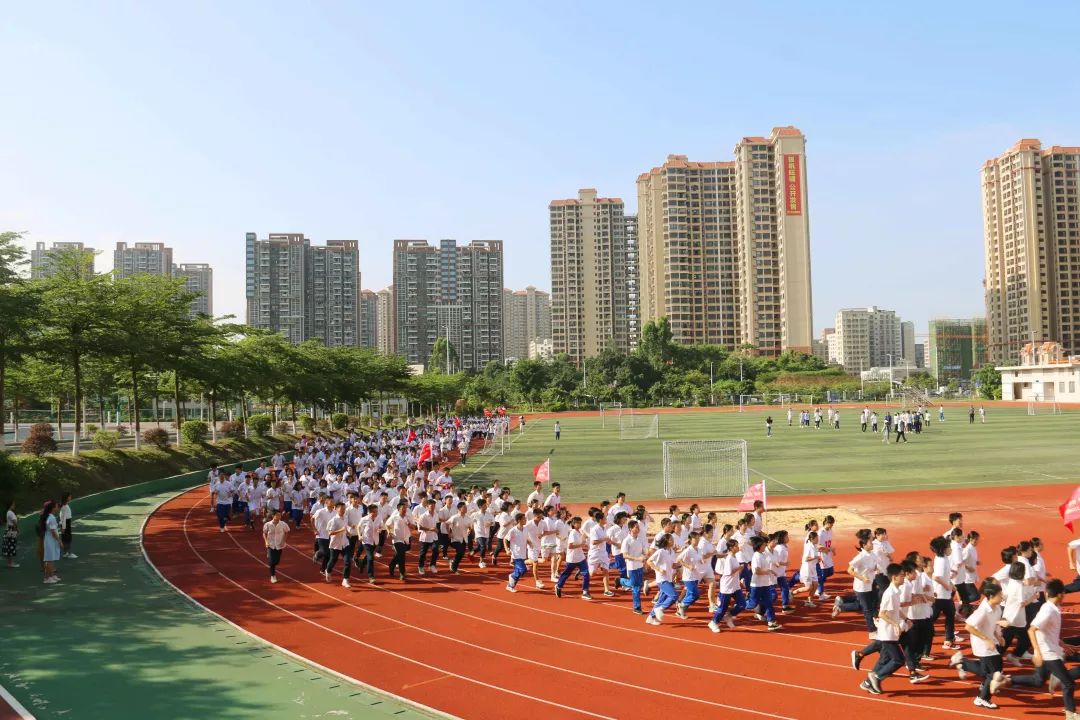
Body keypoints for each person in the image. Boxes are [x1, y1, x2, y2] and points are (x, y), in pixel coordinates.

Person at [1010, 579, 1078, 718]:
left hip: (1051, 650)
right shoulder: (1048, 610)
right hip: (1048, 653)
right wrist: (1038, 653)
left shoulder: (1051, 608)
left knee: (1038, 681)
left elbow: (1046, 631)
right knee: (1069, 683)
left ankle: (1006, 679)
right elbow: (1032, 630)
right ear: (1060, 595)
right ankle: (1071, 713)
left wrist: (1063, 644)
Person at [952, 579, 1012, 709]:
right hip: (982, 644)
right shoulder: (983, 610)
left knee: (988, 670)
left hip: (991, 641)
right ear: (991, 596)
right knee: (994, 671)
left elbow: (994, 623)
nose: (1002, 597)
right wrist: (986, 639)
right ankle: (982, 698)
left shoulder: (996, 608)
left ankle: (962, 663)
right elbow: (968, 627)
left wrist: (999, 636)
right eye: (1000, 595)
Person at [860, 563, 913, 695]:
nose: (904, 578)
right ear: (894, 577)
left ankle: (867, 682)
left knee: (885, 659)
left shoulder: (896, 591)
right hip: (887, 633)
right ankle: (876, 676)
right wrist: (895, 624)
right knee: (898, 660)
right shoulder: (890, 593)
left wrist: (905, 619)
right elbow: (882, 614)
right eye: (902, 575)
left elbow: (896, 609)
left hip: (891, 633)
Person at [748, 535, 782, 631]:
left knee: (769, 603)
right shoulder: (756, 556)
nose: (765, 546)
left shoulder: (763, 554)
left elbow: (765, 567)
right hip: (757, 585)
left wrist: (771, 571)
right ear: (759, 546)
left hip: (765, 584)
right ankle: (738, 606)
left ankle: (771, 623)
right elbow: (756, 571)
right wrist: (767, 572)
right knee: (751, 604)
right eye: (763, 544)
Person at [554, 516, 591, 600]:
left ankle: (585, 592)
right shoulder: (573, 533)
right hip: (572, 558)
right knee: (566, 574)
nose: (579, 524)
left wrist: (584, 540)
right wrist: (581, 545)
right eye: (578, 523)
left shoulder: (579, 532)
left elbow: (582, 540)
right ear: (573, 524)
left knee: (586, 574)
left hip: (580, 557)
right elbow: (570, 546)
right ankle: (558, 586)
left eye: (580, 523)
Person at [646, 533, 678, 625]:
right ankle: (659, 609)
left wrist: (681, 565)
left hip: (668, 578)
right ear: (666, 541)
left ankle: (650, 617)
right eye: (671, 539)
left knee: (660, 600)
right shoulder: (660, 551)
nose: (673, 541)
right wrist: (658, 569)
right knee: (674, 596)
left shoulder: (672, 552)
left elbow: (673, 565)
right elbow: (649, 561)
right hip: (662, 579)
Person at [263, 510, 290, 584]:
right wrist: (266, 541)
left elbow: (287, 532)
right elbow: (264, 533)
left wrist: (284, 541)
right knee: (272, 562)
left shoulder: (283, 524)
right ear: (273, 516)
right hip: (270, 544)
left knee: (276, 561)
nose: (279, 516)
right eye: (277, 515)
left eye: (280, 515)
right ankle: (273, 576)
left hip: (279, 544)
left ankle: (271, 558)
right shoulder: (267, 524)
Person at [505, 512, 529, 593]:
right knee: (523, 569)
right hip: (515, 553)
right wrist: (507, 550)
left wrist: (530, 543)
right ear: (519, 520)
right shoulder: (513, 530)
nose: (525, 520)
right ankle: (512, 576)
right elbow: (505, 539)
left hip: (523, 553)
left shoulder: (525, 529)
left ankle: (510, 585)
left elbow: (525, 538)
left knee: (519, 570)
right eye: (524, 519)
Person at [40, 501, 61, 584]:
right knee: (49, 560)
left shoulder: (50, 516)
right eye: (56, 506)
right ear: (52, 508)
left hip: (50, 540)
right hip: (50, 540)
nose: (57, 507)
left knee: (51, 559)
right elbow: (53, 531)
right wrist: (59, 541)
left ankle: (51, 576)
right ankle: (47, 578)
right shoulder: (51, 518)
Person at [58, 492, 76, 559]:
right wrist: (63, 527)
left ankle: (67, 553)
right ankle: (68, 553)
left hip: (66, 523)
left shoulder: (65, 505)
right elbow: (63, 518)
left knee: (67, 539)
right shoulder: (64, 507)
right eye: (69, 496)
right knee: (67, 539)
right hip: (65, 524)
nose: (71, 497)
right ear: (67, 497)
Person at [3, 500, 19, 568]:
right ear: (11, 505)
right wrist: (17, 529)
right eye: (13, 505)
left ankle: (9, 563)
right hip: (11, 529)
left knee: (9, 545)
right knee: (11, 545)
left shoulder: (8, 512)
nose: (14, 506)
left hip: (9, 529)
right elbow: (14, 522)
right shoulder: (11, 513)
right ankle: (11, 563)